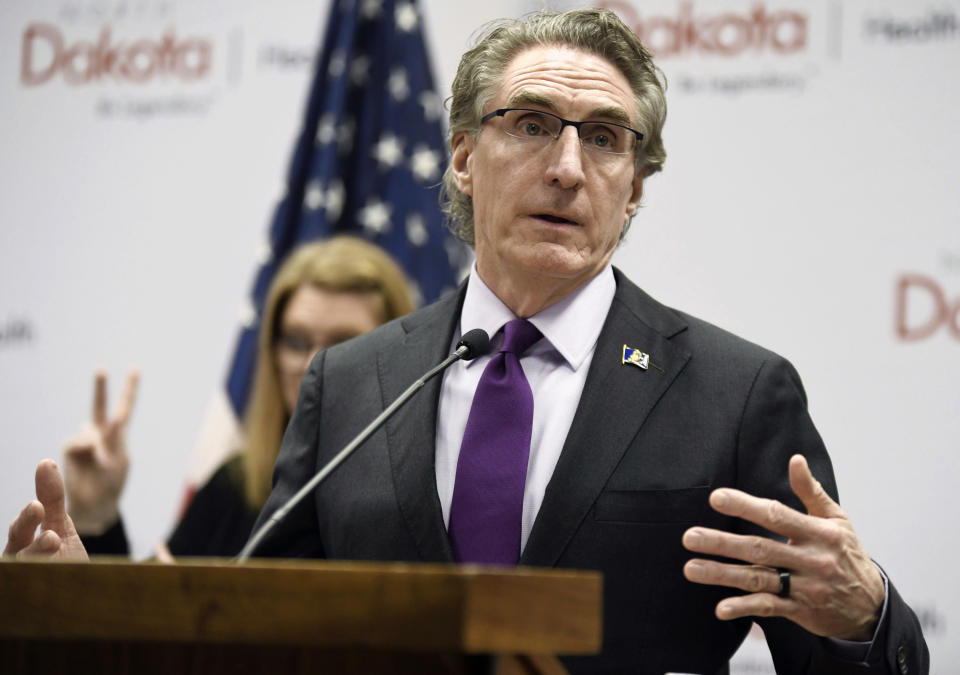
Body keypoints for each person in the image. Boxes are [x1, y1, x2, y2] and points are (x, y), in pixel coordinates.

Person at [6, 9, 928, 674]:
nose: (568, 168)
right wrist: (91, 610)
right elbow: (261, 630)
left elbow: (840, 658)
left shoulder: (735, 391)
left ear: (635, 189)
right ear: (460, 156)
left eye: (606, 140)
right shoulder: (356, 380)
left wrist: (865, 614)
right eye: (530, 125)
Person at [42, 236, 415, 559]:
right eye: (296, 342)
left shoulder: (429, 493)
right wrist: (97, 516)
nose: (314, 365)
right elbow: (134, 622)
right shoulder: (234, 486)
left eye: (344, 344)